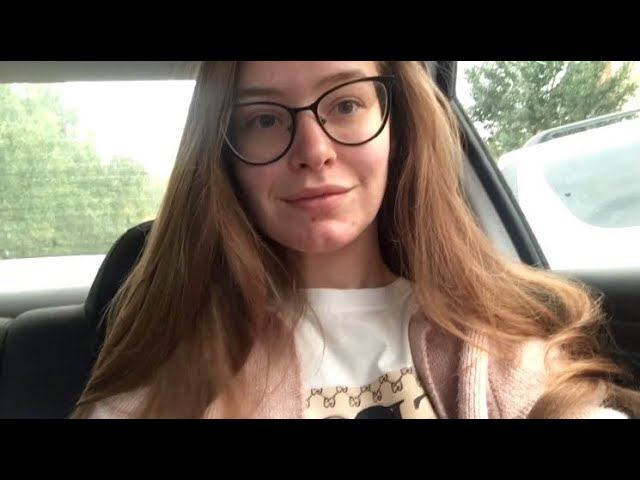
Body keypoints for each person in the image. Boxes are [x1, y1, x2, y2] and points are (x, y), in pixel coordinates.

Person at [72, 61, 638, 419]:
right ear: (225, 157)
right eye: (265, 119)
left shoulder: (492, 348)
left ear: (397, 128)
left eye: (345, 104)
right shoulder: (174, 377)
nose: (313, 150)